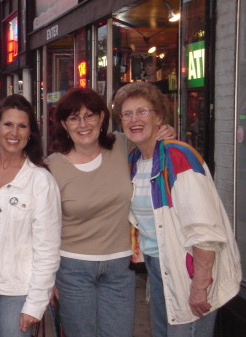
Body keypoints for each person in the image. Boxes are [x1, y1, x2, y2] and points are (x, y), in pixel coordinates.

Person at [113, 81, 241, 337]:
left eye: (143, 111)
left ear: (160, 116)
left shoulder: (178, 157)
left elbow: (205, 230)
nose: (134, 119)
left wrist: (199, 286)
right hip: (157, 267)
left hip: (186, 270)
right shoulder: (135, 161)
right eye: (127, 114)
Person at [47, 87, 175, 337]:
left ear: (102, 118)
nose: (83, 124)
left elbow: (152, 141)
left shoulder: (122, 145)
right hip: (72, 268)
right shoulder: (51, 167)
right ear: (64, 123)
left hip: (120, 268)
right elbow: (43, 228)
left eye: (90, 115)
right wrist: (48, 279)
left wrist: (167, 132)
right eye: (74, 118)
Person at [0, 94, 61, 337]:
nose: (14, 132)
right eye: (8, 124)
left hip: (16, 291)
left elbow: (48, 249)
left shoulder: (40, 181)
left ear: (30, 132)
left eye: (22, 126)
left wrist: (35, 304)